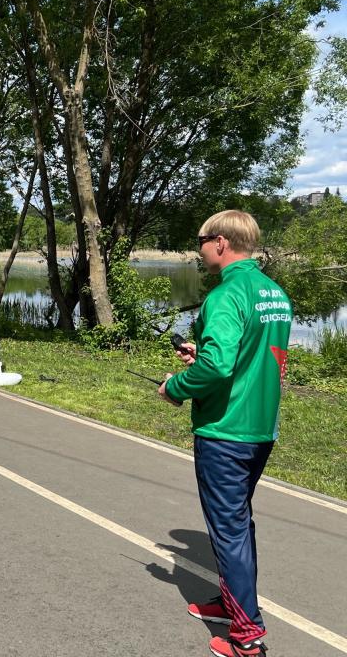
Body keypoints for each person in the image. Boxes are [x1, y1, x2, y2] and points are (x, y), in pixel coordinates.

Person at [158, 210, 291, 657]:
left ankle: (247, 636)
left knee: (228, 529)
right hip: (260, 428)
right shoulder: (273, 293)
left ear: (220, 242)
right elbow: (247, 354)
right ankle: (231, 603)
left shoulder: (225, 295)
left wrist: (175, 387)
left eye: (201, 240)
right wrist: (202, 353)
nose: (198, 249)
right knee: (238, 523)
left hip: (225, 431)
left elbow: (218, 368)